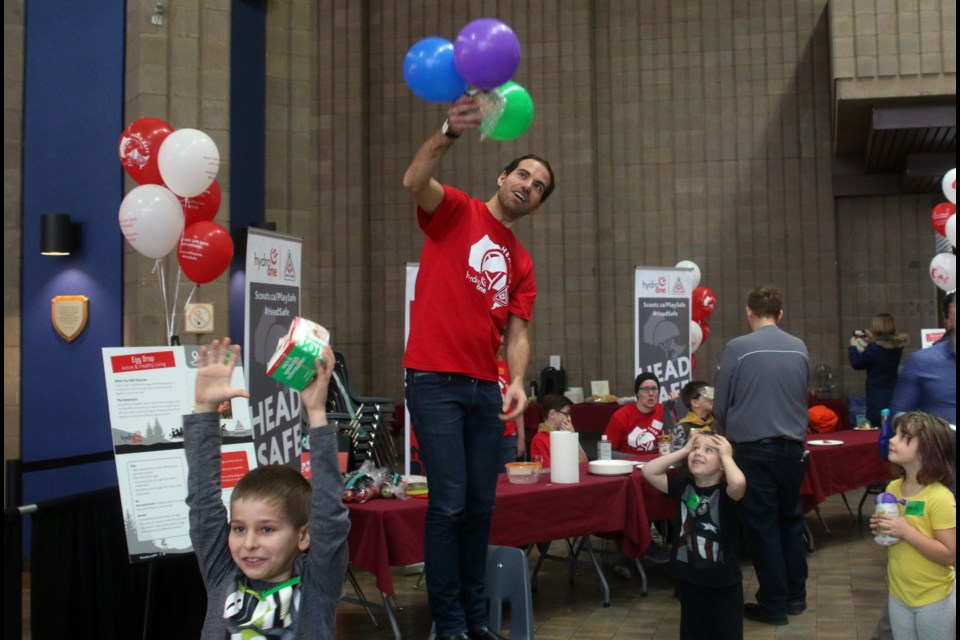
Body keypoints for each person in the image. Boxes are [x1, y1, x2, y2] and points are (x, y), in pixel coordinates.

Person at [401, 94, 555, 640]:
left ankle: (472, 619)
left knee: (480, 505)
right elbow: (414, 179)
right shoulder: (457, 211)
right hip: (434, 378)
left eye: (538, 188)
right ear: (502, 175)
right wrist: (450, 129)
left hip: (485, 388)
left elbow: (517, 330)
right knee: (448, 504)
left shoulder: (522, 261)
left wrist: (514, 380)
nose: (528, 186)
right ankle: (448, 624)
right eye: (524, 175)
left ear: (536, 206)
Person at [184, 337, 349, 639]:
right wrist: (205, 409)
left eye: (267, 529)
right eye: (239, 529)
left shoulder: (316, 583)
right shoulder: (223, 572)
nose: (249, 544)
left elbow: (330, 515)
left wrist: (316, 414)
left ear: (303, 535)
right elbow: (202, 500)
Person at [713, 284, 810, 626]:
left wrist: (724, 439)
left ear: (748, 312)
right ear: (780, 315)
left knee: (763, 527)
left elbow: (721, 404)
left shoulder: (737, 349)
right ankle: (796, 596)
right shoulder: (799, 348)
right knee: (790, 521)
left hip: (755, 450)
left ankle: (773, 603)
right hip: (794, 449)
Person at [643, 431, 747, 640]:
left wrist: (727, 455)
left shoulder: (727, 493)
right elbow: (649, 471)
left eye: (709, 450)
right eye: (696, 448)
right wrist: (683, 450)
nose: (698, 453)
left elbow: (738, 484)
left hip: (724, 583)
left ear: (721, 465)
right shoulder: (684, 487)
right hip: (689, 580)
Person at [869, 412, 956, 640]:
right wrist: (882, 528)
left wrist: (905, 531)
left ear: (927, 451)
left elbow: (949, 554)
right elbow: (892, 538)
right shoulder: (892, 489)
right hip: (899, 594)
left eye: (904, 437)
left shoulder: (940, 497)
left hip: (934, 598)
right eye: (895, 434)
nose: (892, 440)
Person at [881, 290, 956, 458]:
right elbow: (897, 415)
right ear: (950, 317)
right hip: (943, 468)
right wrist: (929, 429)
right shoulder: (923, 362)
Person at [848, 313, 908, 427]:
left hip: (876, 396)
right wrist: (872, 341)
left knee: (877, 427)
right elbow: (883, 349)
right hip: (893, 393)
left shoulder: (874, 349)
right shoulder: (897, 347)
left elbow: (857, 363)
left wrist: (853, 347)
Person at [603, 372, 677, 456]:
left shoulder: (665, 410)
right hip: (628, 465)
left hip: (657, 464)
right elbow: (607, 452)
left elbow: (674, 444)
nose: (651, 393)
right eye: (646, 389)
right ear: (637, 393)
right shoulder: (621, 415)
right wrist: (637, 459)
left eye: (654, 389)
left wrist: (668, 412)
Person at [529, 393, 587, 467]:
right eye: (566, 414)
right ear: (552, 414)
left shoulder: (565, 435)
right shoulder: (539, 440)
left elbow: (584, 463)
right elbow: (546, 471)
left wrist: (573, 437)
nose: (569, 418)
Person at [497, 347, 526, 471]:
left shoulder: (508, 367)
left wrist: (521, 437)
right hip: (482, 435)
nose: (500, 346)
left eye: (503, 343)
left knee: (505, 479)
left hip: (507, 435)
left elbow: (516, 405)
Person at [669, 380, 716, 448]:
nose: (713, 398)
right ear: (695, 403)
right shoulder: (682, 427)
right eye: (708, 394)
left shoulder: (718, 423)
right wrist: (689, 442)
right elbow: (675, 455)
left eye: (712, 393)